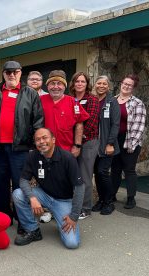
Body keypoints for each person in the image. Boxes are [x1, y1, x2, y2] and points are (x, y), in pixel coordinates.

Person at [0, 61, 44, 229]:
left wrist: (35, 145)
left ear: (20, 73)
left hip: (21, 148)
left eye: (15, 72)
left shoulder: (30, 93)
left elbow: (38, 120)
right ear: (3, 74)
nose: (11, 75)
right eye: (8, 72)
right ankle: (5, 217)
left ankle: (22, 219)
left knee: (20, 184)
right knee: (1, 183)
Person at [12, 128, 85, 249]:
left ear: (53, 140)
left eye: (44, 138)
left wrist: (74, 216)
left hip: (63, 201)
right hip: (44, 195)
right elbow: (23, 180)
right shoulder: (32, 156)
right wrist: (32, 198)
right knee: (18, 194)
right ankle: (33, 230)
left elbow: (79, 188)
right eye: (37, 139)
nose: (41, 141)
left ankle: (61, 218)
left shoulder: (67, 158)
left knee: (72, 243)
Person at [111, 74, 146, 209]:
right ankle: (112, 194)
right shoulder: (112, 100)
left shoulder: (137, 103)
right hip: (115, 140)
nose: (126, 86)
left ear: (133, 88)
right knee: (115, 169)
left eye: (129, 85)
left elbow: (139, 126)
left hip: (130, 140)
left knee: (129, 169)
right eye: (124, 83)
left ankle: (131, 198)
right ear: (121, 83)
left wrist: (132, 144)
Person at [69, 72, 100, 220]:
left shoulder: (92, 99)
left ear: (87, 84)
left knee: (85, 176)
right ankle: (74, 204)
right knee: (73, 175)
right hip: (73, 142)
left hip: (88, 142)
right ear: (73, 83)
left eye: (83, 81)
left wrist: (79, 140)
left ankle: (86, 208)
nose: (80, 84)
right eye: (77, 81)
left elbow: (92, 122)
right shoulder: (70, 99)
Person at [40, 70, 90, 157]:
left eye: (59, 83)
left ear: (64, 86)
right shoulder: (39, 100)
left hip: (66, 151)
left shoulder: (73, 102)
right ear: (47, 86)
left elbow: (79, 124)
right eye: (52, 83)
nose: (56, 87)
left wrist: (77, 145)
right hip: (44, 149)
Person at [92, 75, 120, 215]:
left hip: (106, 144)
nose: (101, 86)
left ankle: (109, 202)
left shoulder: (112, 101)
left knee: (103, 172)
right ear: (95, 85)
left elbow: (115, 124)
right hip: (94, 144)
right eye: (99, 83)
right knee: (97, 173)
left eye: (104, 84)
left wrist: (110, 143)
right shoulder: (93, 100)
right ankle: (101, 200)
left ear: (108, 86)